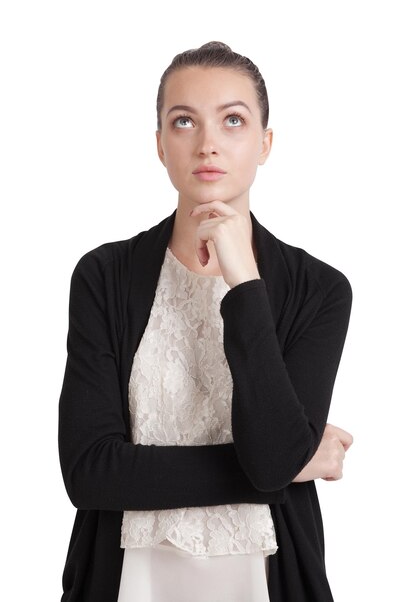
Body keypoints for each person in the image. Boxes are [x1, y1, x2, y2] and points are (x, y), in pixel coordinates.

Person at [58, 41, 353, 602]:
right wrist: (292, 465)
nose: (208, 144)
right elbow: (90, 472)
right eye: (184, 121)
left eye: (233, 121)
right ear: (160, 145)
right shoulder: (104, 276)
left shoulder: (320, 291)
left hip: (265, 578)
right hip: (127, 578)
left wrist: (245, 285)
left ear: (265, 144)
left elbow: (271, 455)